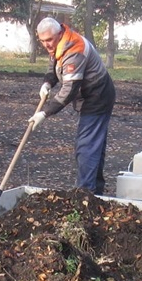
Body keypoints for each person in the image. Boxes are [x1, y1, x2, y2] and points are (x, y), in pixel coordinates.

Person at [29, 16, 117, 194]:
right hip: (91, 94)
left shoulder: (75, 50)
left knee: (86, 146)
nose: (47, 45)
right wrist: (47, 83)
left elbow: (69, 90)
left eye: (49, 40)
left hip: (97, 96)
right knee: (94, 144)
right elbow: (54, 63)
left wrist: (44, 113)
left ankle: (85, 194)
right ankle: (96, 192)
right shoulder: (60, 42)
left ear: (59, 34)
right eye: (42, 41)